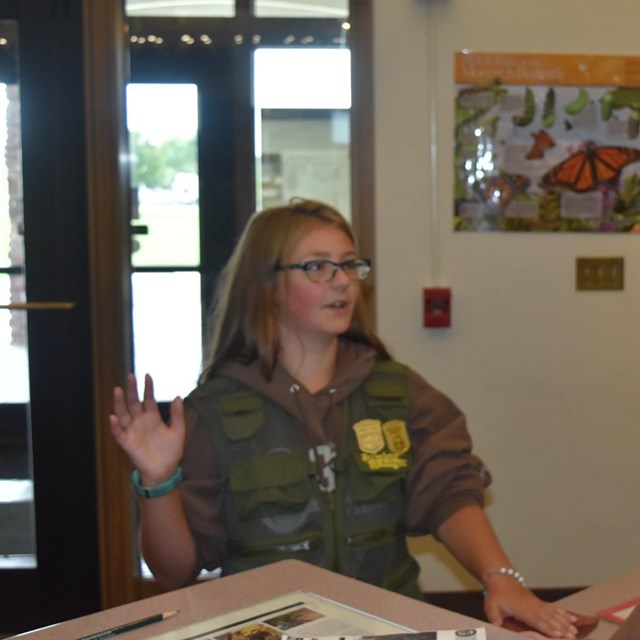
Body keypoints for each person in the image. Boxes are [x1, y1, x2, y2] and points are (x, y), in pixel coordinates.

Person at [110, 198, 578, 639]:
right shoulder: (212, 410)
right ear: (267, 286)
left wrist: (501, 578)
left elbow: (449, 491)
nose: (342, 281)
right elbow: (176, 570)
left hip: (388, 623)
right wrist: (158, 480)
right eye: (316, 266)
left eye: (349, 264)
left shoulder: (398, 391)